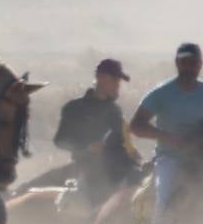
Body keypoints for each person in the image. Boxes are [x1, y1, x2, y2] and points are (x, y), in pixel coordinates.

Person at [132, 43, 203, 215]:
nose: (189, 67)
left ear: (200, 64)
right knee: (164, 195)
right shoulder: (161, 93)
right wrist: (173, 140)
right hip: (171, 159)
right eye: (184, 62)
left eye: (193, 63)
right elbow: (136, 126)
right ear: (177, 63)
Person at [51, 58, 143, 208]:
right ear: (100, 78)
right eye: (114, 81)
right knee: (88, 209)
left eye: (118, 82)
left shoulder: (115, 110)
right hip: (93, 173)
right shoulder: (74, 108)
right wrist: (87, 147)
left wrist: (136, 159)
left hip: (122, 170)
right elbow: (60, 140)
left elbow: (124, 143)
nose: (117, 87)